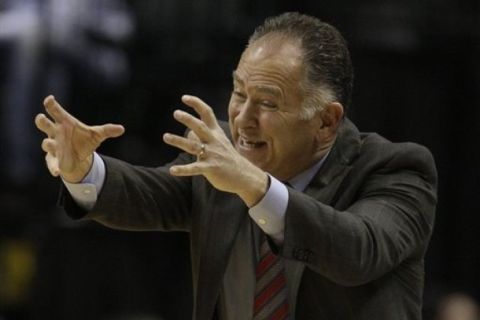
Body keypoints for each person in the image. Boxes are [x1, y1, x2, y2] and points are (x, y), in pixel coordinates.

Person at [34, 12, 437, 320]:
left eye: (267, 103)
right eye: (239, 92)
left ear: (327, 120)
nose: (242, 118)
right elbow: (150, 193)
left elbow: (356, 251)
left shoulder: (396, 169)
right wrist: (83, 169)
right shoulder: (224, 153)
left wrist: (256, 187)